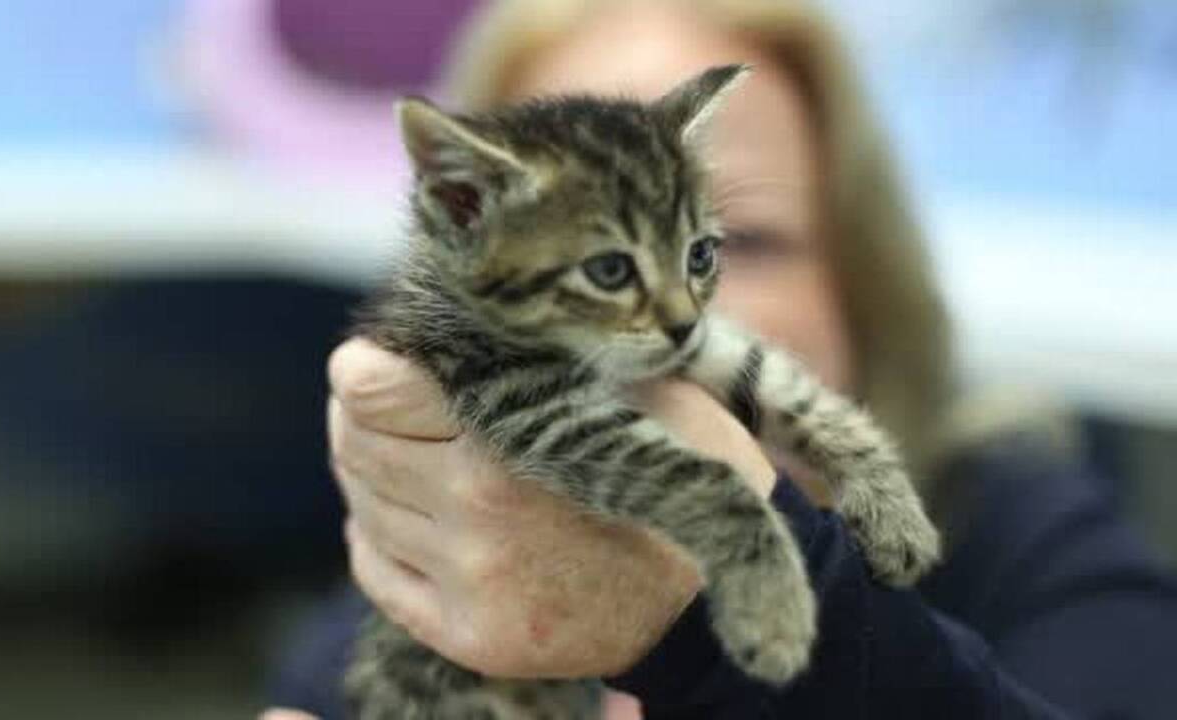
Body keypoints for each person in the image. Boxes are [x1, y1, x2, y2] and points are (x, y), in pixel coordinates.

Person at [265, 1, 1177, 717]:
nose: (681, 323)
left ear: (860, 284)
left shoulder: (1020, 537)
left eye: (730, 246)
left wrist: (695, 613)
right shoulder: (419, 593)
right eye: (608, 266)